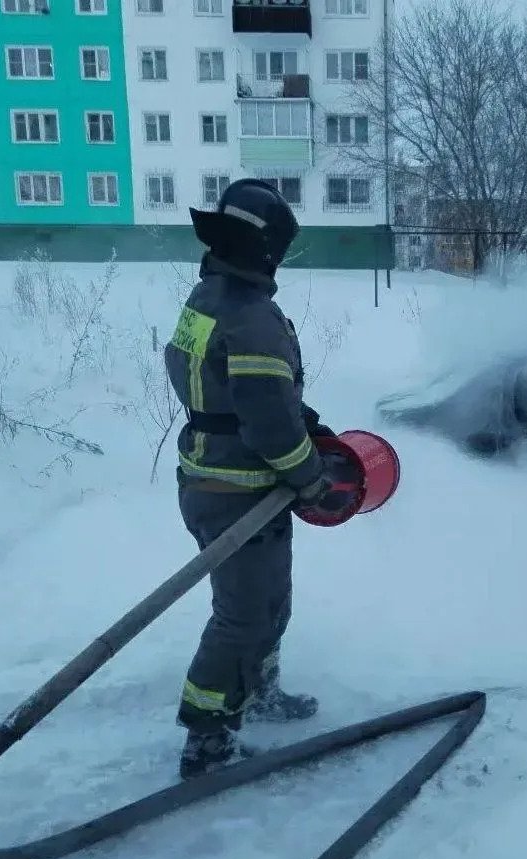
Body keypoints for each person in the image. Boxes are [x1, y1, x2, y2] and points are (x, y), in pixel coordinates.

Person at [164, 179, 351, 780]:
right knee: (243, 615)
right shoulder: (253, 318)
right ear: (265, 248)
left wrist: (304, 421)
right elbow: (269, 423)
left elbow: (226, 387)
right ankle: (207, 736)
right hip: (240, 491)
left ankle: (261, 695)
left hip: (212, 478)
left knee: (269, 602)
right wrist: (311, 476)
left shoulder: (204, 299)